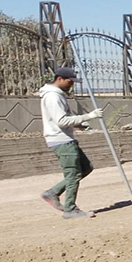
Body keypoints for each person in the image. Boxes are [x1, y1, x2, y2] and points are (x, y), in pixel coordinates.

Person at [39, 67, 103, 219]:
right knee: (73, 174)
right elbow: (61, 121)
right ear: (59, 78)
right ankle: (70, 210)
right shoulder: (53, 97)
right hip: (61, 140)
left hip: (66, 138)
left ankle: (52, 192)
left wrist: (79, 124)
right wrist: (88, 116)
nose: (71, 85)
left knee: (86, 168)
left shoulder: (57, 95)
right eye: (70, 81)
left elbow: (63, 119)